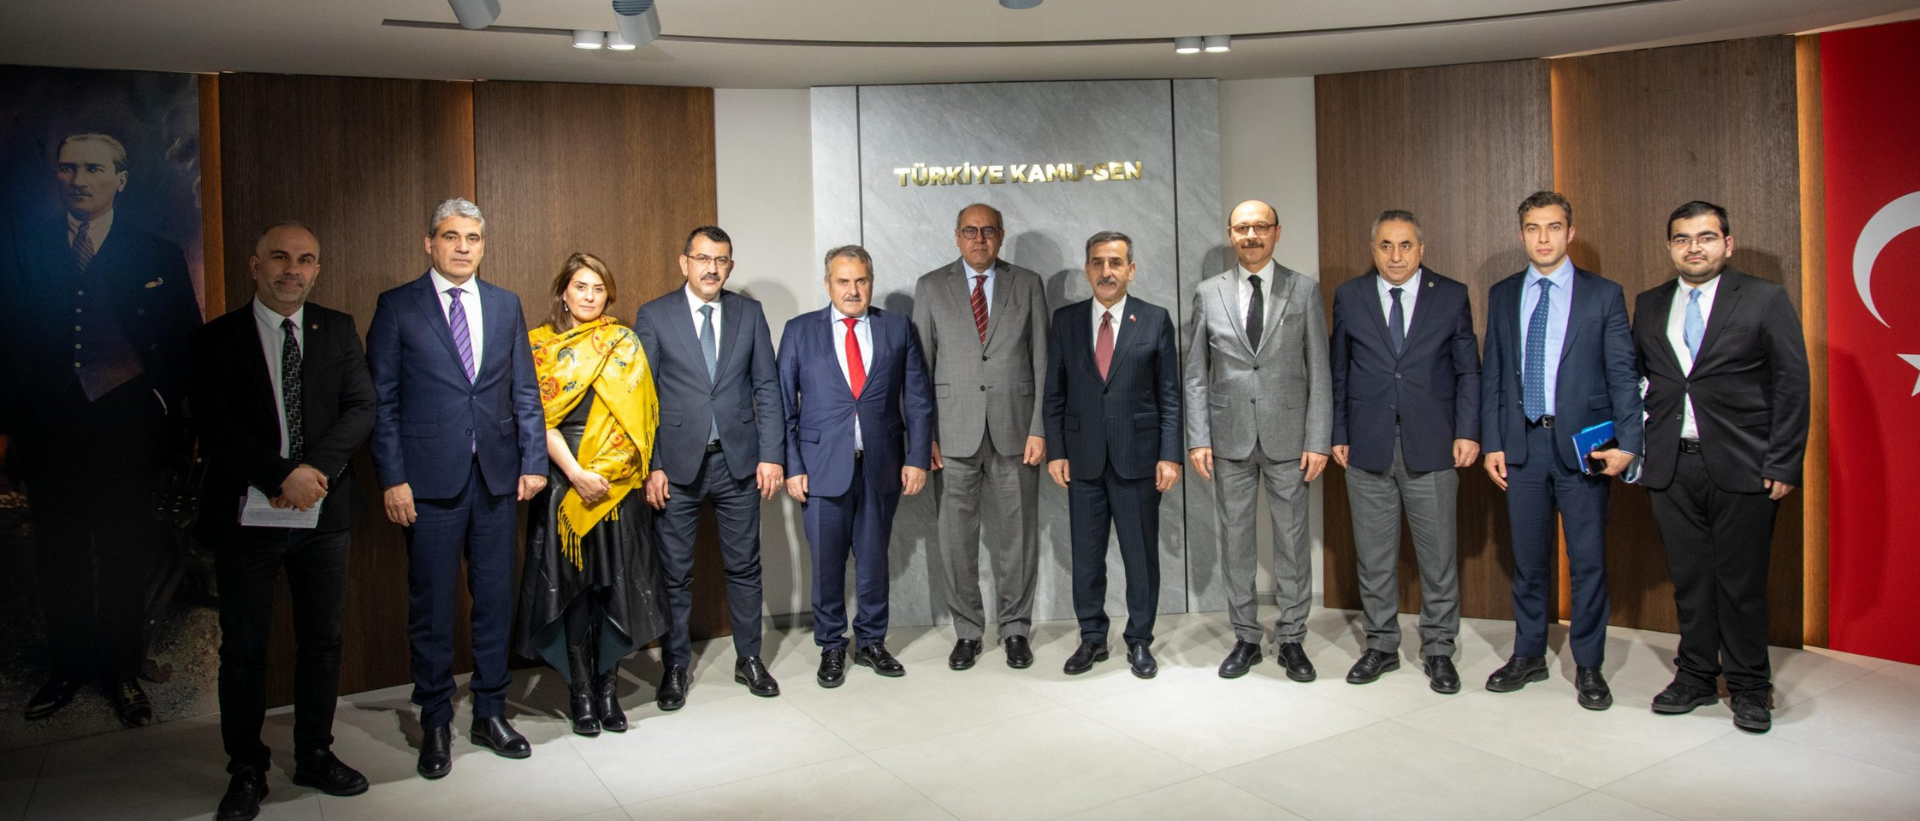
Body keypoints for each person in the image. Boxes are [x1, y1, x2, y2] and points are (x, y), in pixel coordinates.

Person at [0, 132, 201, 726]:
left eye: (92, 168)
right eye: (68, 169)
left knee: (123, 552)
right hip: (51, 429)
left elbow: (185, 343)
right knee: (58, 552)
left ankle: (121, 669)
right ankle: (67, 668)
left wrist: (160, 404)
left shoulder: (157, 252)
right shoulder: (25, 248)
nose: (78, 179)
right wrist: (13, 424)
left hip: (128, 429)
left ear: (120, 179)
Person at [189, 222, 374, 821]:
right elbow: (215, 424)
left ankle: (315, 753)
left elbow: (361, 406)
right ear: (255, 265)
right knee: (244, 648)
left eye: (305, 259)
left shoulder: (337, 329)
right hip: (249, 516)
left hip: (324, 512)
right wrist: (280, 475)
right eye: (280, 258)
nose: (292, 270)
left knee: (322, 642)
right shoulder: (218, 339)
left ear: (316, 269)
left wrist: (313, 470)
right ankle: (246, 769)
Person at [366, 198, 546, 779]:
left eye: (473, 238)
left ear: (483, 245)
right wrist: (393, 477)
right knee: (433, 606)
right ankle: (436, 720)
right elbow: (382, 403)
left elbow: (525, 392)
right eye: (451, 236)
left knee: (494, 601)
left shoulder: (505, 303)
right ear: (430, 243)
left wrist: (534, 461)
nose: (463, 247)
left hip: (496, 478)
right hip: (427, 482)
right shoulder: (398, 306)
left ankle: (490, 712)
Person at [1636, 201, 1808, 733]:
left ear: (1727, 244)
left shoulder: (1763, 298)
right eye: (1682, 238)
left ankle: (1750, 686)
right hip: (1670, 465)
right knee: (1690, 581)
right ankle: (1695, 676)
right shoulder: (1649, 303)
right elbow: (1640, 379)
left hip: (1744, 464)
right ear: (1670, 247)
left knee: (1741, 583)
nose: (1694, 247)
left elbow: (1792, 384)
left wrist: (1783, 462)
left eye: (1706, 237)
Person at [1480, 191, 1643, 711]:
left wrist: (1629, 443)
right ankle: (1528, 654)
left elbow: (1623, 373)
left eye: (1553, 227)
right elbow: (1493, 373)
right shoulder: (1503, 293)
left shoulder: (1604, 294)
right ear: (1521, 234)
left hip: (1583, 447)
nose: (1543, 237)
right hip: (1522, 444)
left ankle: (1588, 665)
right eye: (1533, 228)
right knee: (1528, 561)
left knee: (1588, 562)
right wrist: (1492, 442)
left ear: (1570, 233)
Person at [517, 253, 670, 737]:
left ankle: (607, 691)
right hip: (566, 483)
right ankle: (580, 693)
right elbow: (536, 418)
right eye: (580, 286)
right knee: (574, 593)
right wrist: (577, 473)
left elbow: (643, 416)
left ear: (609, 296)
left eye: (598, 288)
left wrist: (605, 473)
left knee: (612, 588)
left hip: (618, 484)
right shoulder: (538, 346)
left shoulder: (623, 342)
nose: (589, 296)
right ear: (563, 291)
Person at [633, 225, 784, 710]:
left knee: (745, 567)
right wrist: (653, 464)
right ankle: (675, 667)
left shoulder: (749, 313)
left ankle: (749, 659)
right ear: (685, 262)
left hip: (738, 463)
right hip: (675, 468)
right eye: (702, 258)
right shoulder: (655, 315)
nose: (711, 268)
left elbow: (767, 387)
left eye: (721, 260)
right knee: (674, 573)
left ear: (730, 266)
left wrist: (771, 454)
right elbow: (641, 397)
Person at [1328, 210, 1479, 693]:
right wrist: (1338, 431)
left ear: (1421, 249)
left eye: (1405, 245)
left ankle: (1439, 649)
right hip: (1366, 444)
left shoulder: (1450, 295)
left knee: (1438, 559)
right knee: (1374, 558)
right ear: (1373, 250)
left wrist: (1468, 431)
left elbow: (1467, 370)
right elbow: (1338, 371)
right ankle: (1380, 646)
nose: (1396, 256)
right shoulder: (1350, 295)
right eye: (1386, 246)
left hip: (1433, 444)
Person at [1184, 199, 1332, 682]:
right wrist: (1198, 438)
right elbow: (1196, 374)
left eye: (1260, 227)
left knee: (1292, 542)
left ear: (1276, 232)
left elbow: (1320, 370)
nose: (1251, 236)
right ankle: (1246, 637)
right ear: (1230, 234)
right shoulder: (1208, 292)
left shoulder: (1304, 290)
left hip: (1290, 438)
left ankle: (1292, 639)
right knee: (1237, 541)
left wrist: (1318, 439)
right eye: (1242, 228)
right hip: (1228, 439)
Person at [778, 245, 934, 687]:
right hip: (820, 468)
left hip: (881, 465)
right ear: (827, 284)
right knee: (827, 565)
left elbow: (918, 398)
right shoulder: (799, 331)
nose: (853, 289)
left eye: (861, 280)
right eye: (843, 281)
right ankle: (831, 645)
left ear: (871, 282)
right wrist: (792, 465)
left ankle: (870, 642)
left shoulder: (897, 327)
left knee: (873, 562)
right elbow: (784, 407)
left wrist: (917, 457)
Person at [911, 203, 1049, 671]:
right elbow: (920, 370)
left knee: (1019, 538)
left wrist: (1038, 427)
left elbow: (1043, 360)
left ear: (1001, 236)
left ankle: (1015, 629)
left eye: (988, 230)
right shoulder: (931, 287)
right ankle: (967, 631)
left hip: (1017, 431)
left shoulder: (1027, 283)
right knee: (956, 540)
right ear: (956, 236)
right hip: (951, 435)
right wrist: (924, 437)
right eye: (970, 231)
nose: (979, 239)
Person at [1044, 231, 1181, 679]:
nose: (1107, 271)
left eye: (1116, 262)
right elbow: (1054, 393)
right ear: (1088, 269)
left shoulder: (1155, 319)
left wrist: (1170, 455)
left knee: (1140, 558)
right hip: (1082, 459)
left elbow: (1170, 395)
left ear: (1131, 270)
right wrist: (1056, 451)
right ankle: (1092, 638)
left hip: (1138, 459)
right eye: (1098, 262)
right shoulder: (1065, 321)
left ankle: (1140, 640)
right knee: (1087, 558)